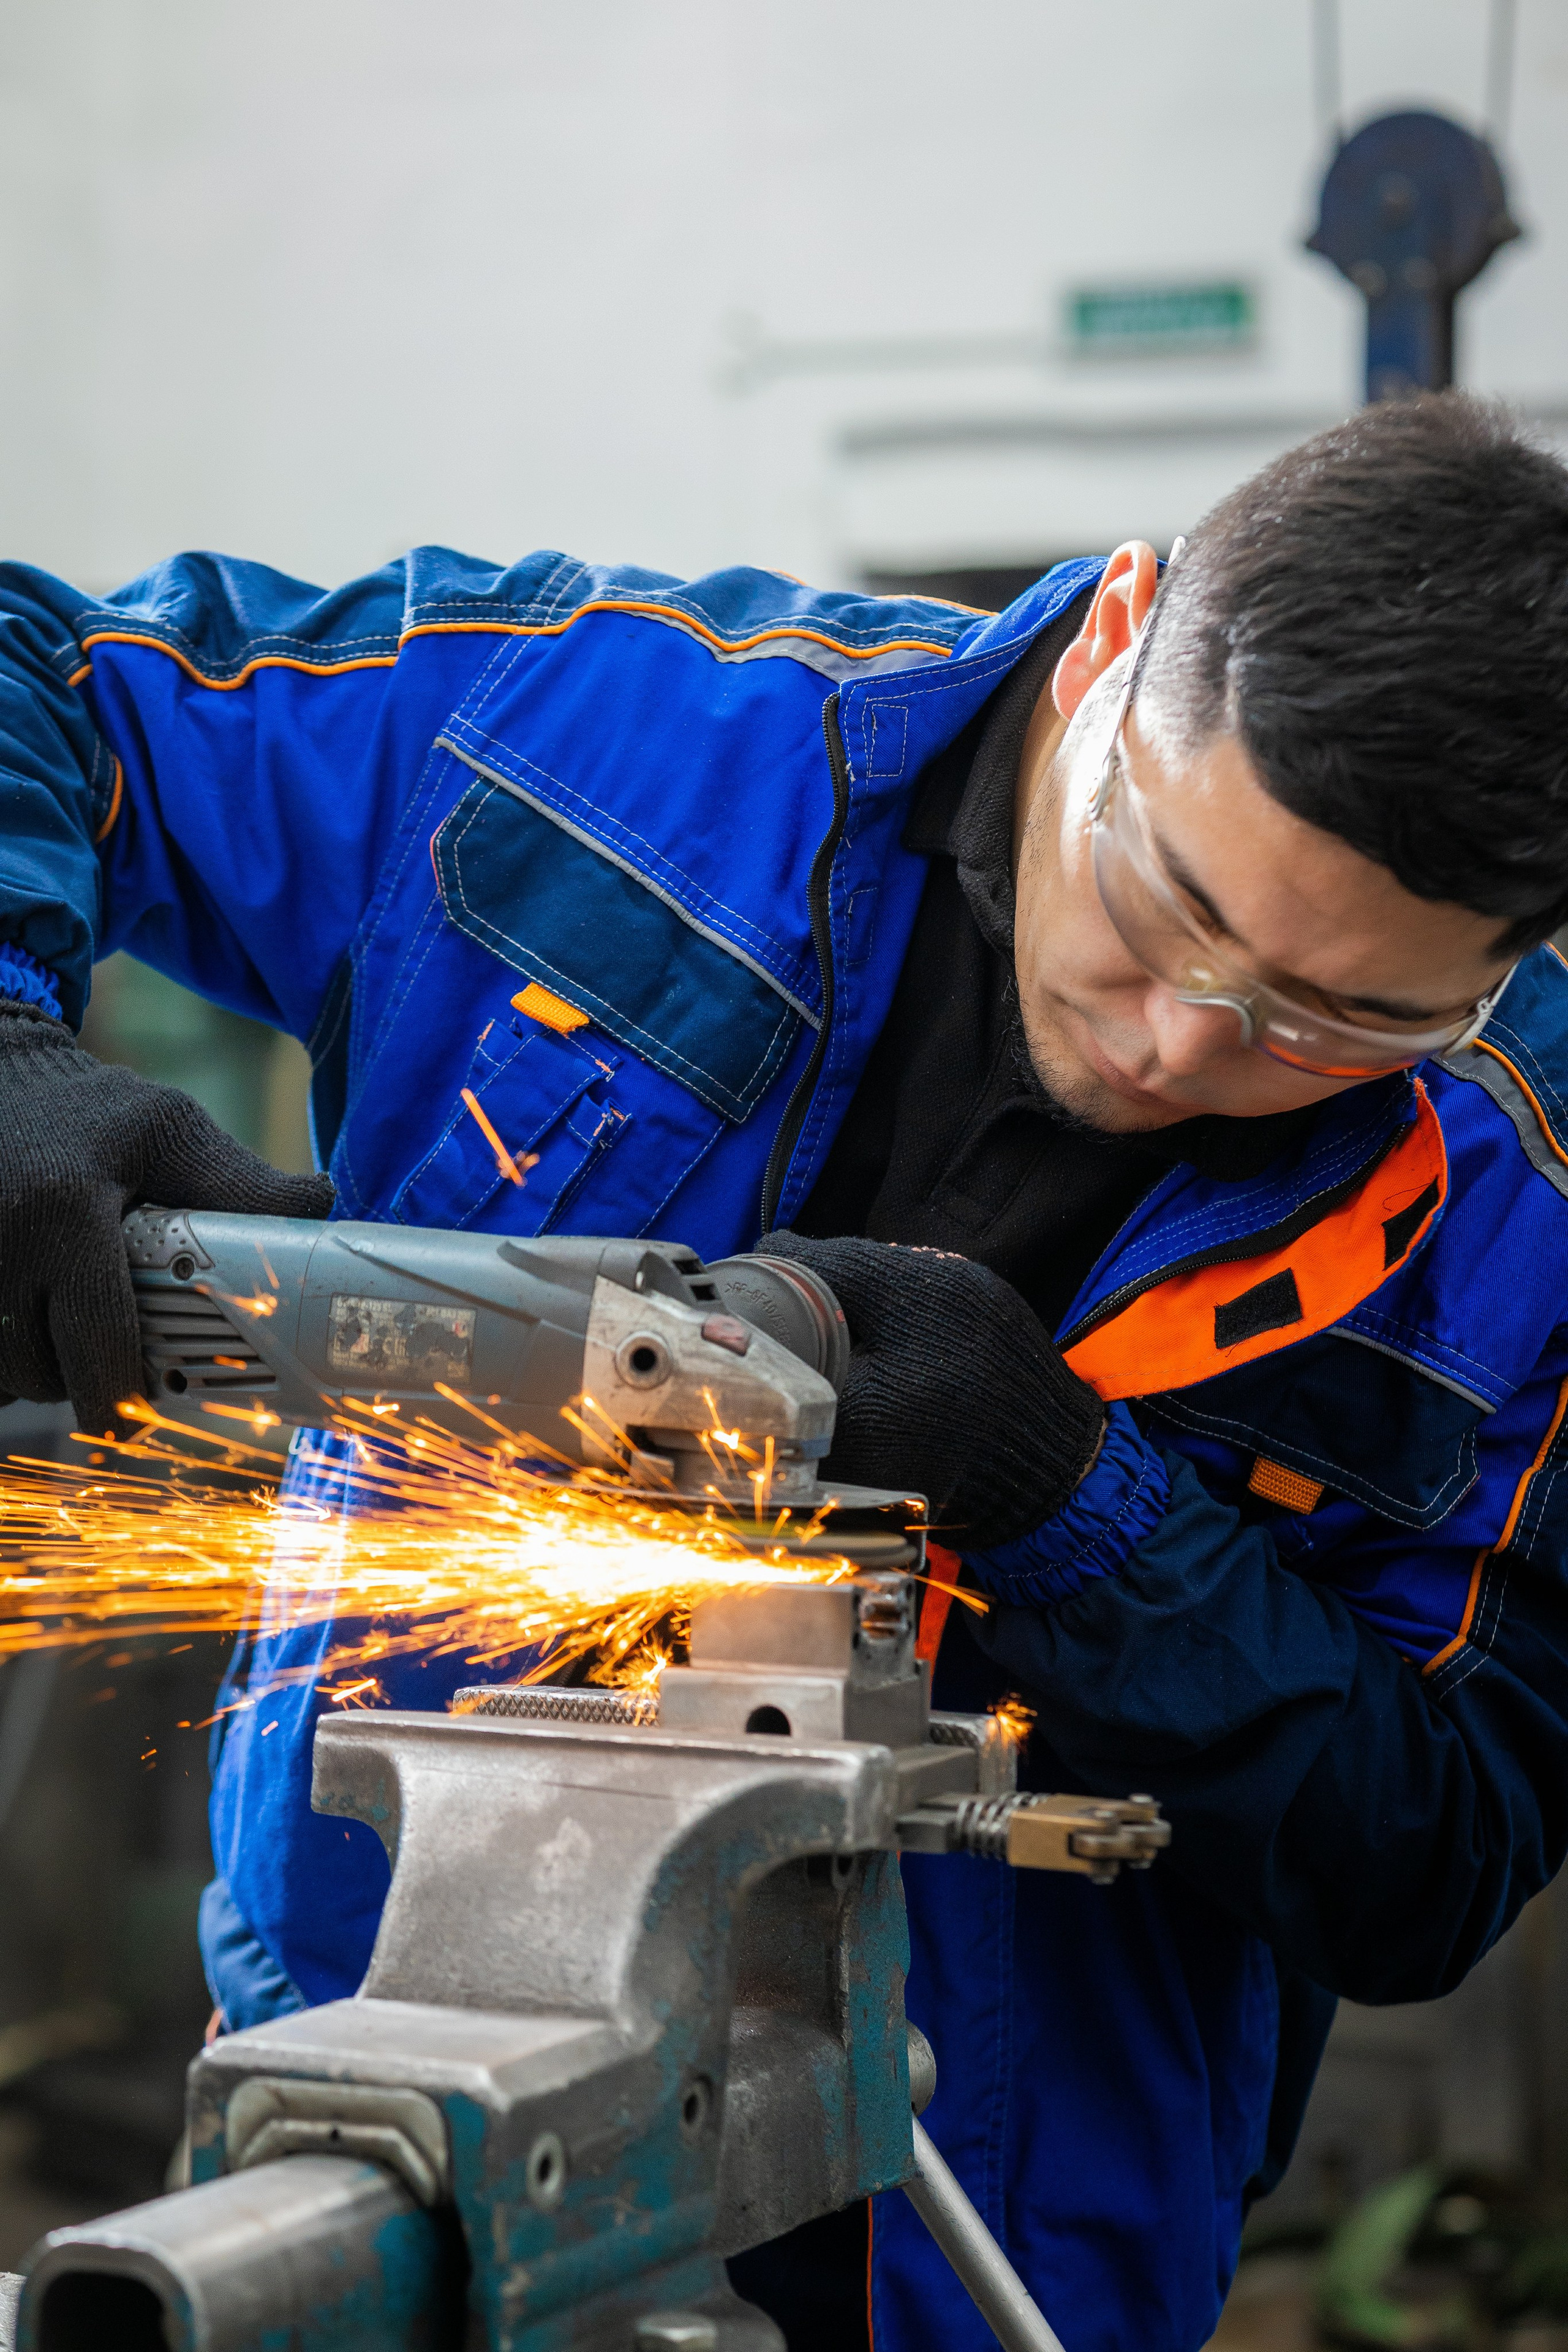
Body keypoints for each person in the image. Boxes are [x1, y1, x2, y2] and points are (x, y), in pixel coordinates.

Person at [0, 391, 1566, 2352]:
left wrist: (1061, 1491)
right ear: (1114, 639)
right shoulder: (608, 753)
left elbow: (1431, 1850)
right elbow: (43, 667)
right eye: (1174, 904)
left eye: (1341, 1020)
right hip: (380, 2069)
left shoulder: (1530, 1197)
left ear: (1498, 971)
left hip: (1005, 2235)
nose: (1183, 1041)